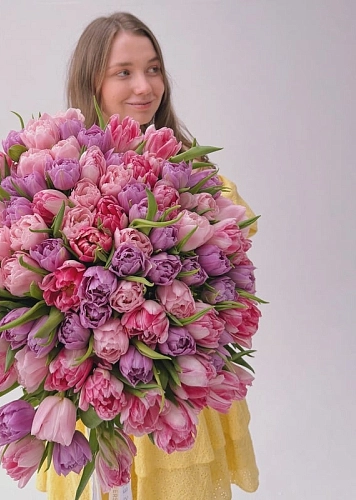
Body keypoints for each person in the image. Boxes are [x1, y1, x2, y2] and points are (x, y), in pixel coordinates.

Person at [36, 12, 259, 500]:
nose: (145, 86)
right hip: (97, 399)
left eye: (153, 69)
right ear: (92, 82)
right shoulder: (58, 174)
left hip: (174, 393)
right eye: (124, 72)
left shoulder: (198, 179)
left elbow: (235, 257)